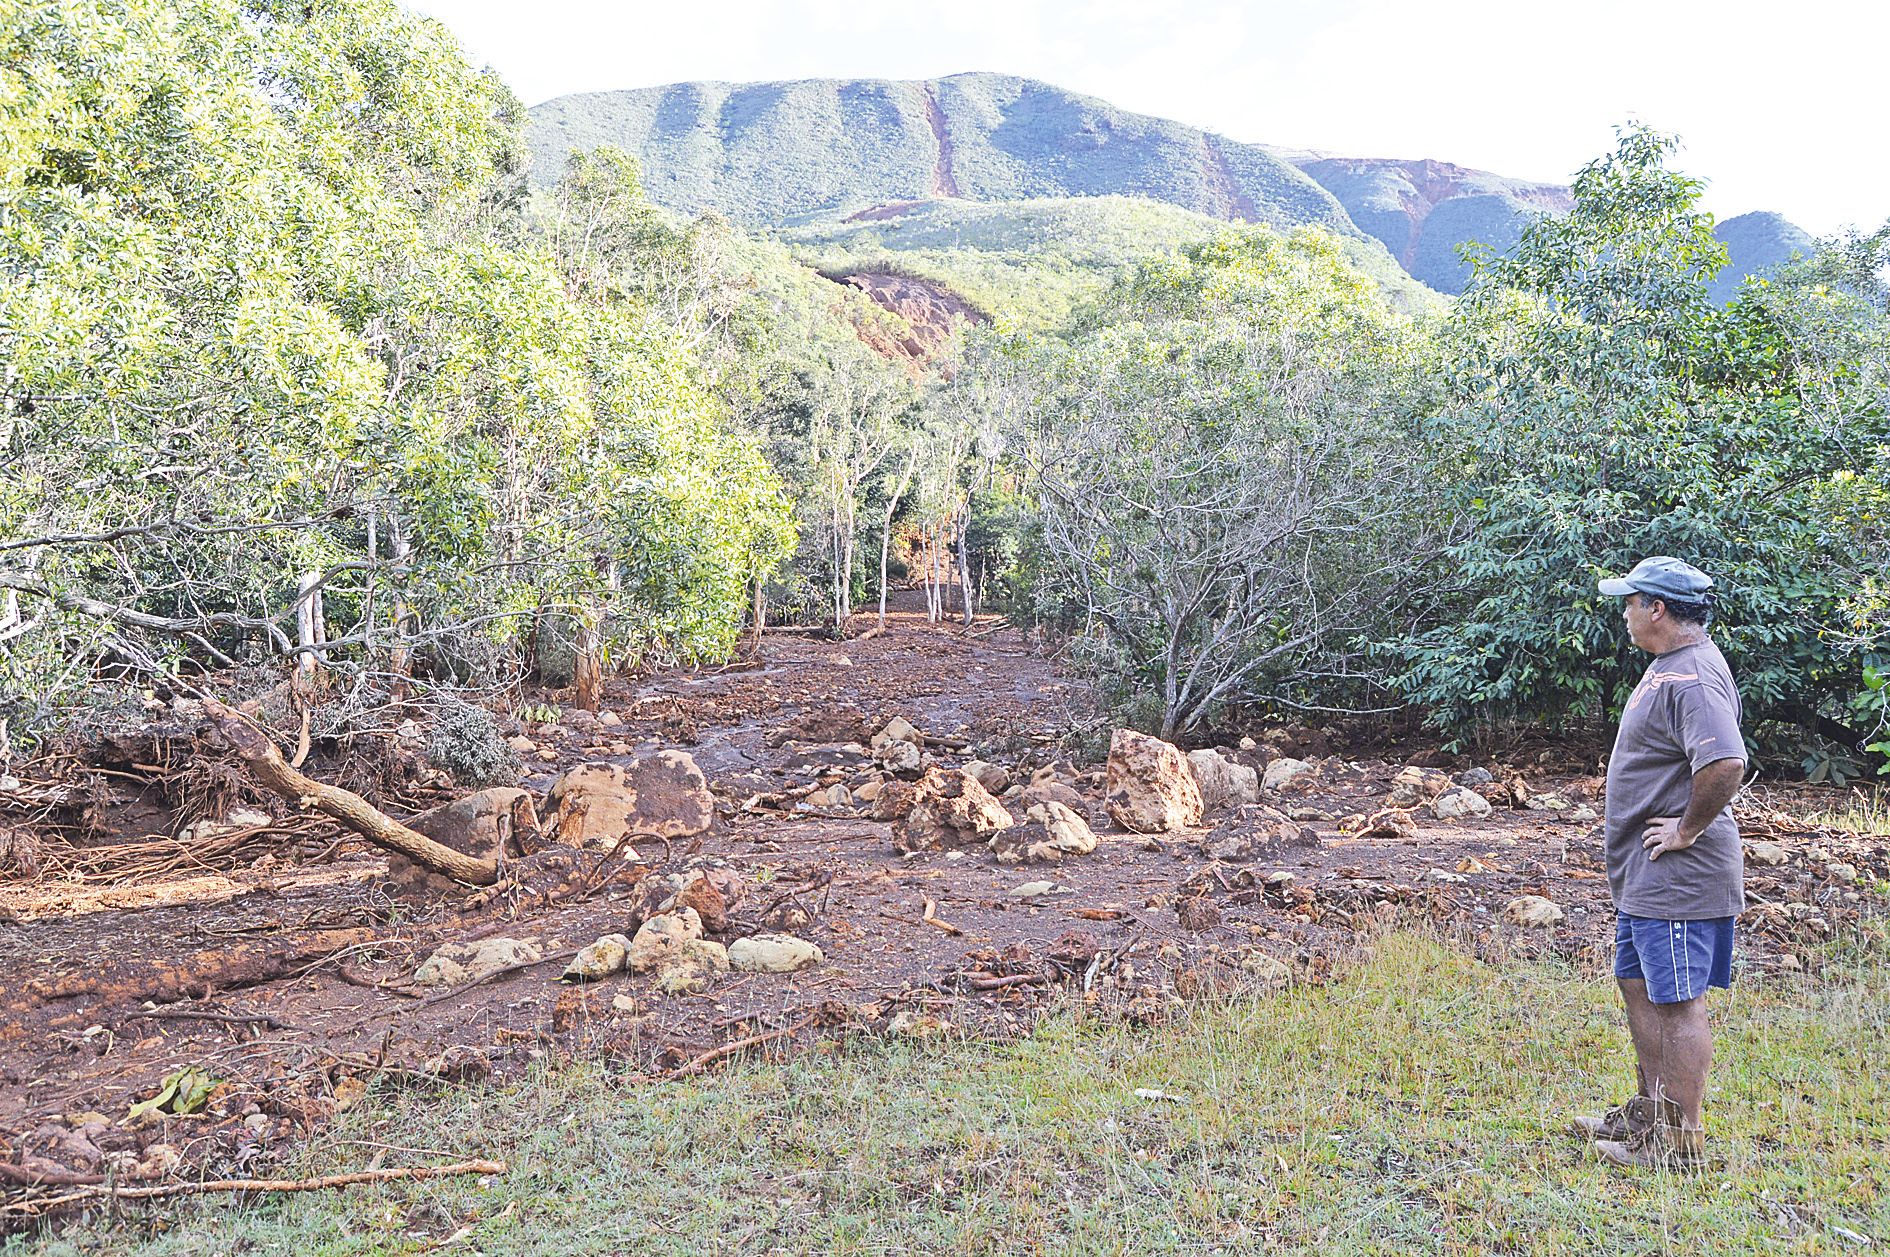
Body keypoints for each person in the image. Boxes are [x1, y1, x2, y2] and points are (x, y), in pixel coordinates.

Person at [1576, 556, 1747, 1170]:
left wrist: (1687, 829)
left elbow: (1725, 763)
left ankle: (1680, 1145)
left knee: (1677, 1001)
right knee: (1637, 984)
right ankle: (1652, 1117)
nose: (1623, 613)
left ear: (1657, 609)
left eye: (1630, 602)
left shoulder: (1693, 677)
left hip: (1679, 874)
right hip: (1646, 875)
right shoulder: (1669, 668)